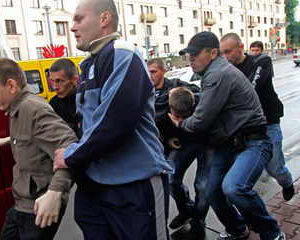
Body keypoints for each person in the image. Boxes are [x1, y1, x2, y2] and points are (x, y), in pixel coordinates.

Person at [52, 0, 174, 239]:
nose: (72, 27)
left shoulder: (122, 53)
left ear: (104, 19)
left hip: (133, 187)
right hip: (95, 188)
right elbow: (84, 125)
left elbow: (114, 125)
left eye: (78, 19)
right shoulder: (87, 63)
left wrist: (70, 156)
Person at [170, 31, 285, 240]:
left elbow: (201, 120)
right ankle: (237, 228)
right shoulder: (213, 73)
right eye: (189, 55)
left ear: (213, 53)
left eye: (195, 54)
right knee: (213, 193)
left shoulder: (217, 74)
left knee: (234, 187)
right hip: (229, 144)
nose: (191, 59)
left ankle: (273, 232)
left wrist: (180, 123)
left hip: (253, 141)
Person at [0, 58, 78, 239]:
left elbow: (70, 146)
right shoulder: (17, 108)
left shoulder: (32, 108)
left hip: (38, 207)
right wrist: (10, 140)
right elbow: (34, 137)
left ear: (11, 85)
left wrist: (55, 193)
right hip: (22, 204)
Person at [220, 33, 294, 201]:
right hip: (246, 128)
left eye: (229, 52)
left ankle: (287, 181)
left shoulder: (260, 61)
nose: (225, 57)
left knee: (275, 169)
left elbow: (250, 89)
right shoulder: (226, 69)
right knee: (242, 178)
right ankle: (251, 214)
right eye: (222, 53)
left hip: (268, 122)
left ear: (240, 48)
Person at [165, 87, 213, 240]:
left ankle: (198, 222)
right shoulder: (163, 107)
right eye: (176, 116)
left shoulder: (204, 104)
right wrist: (168, 138)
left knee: (203, 186)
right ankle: (186, 209)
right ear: (170, 108)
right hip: (184, 144)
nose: (180, 121)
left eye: (185, 117)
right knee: (171, 178)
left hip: (207, 144)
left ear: (193, 108)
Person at [49, 58, 79, 127]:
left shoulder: (87, 99)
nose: (55, 87)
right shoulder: (54, 103)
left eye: (59, 81)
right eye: (52, 81)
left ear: (74, 80)